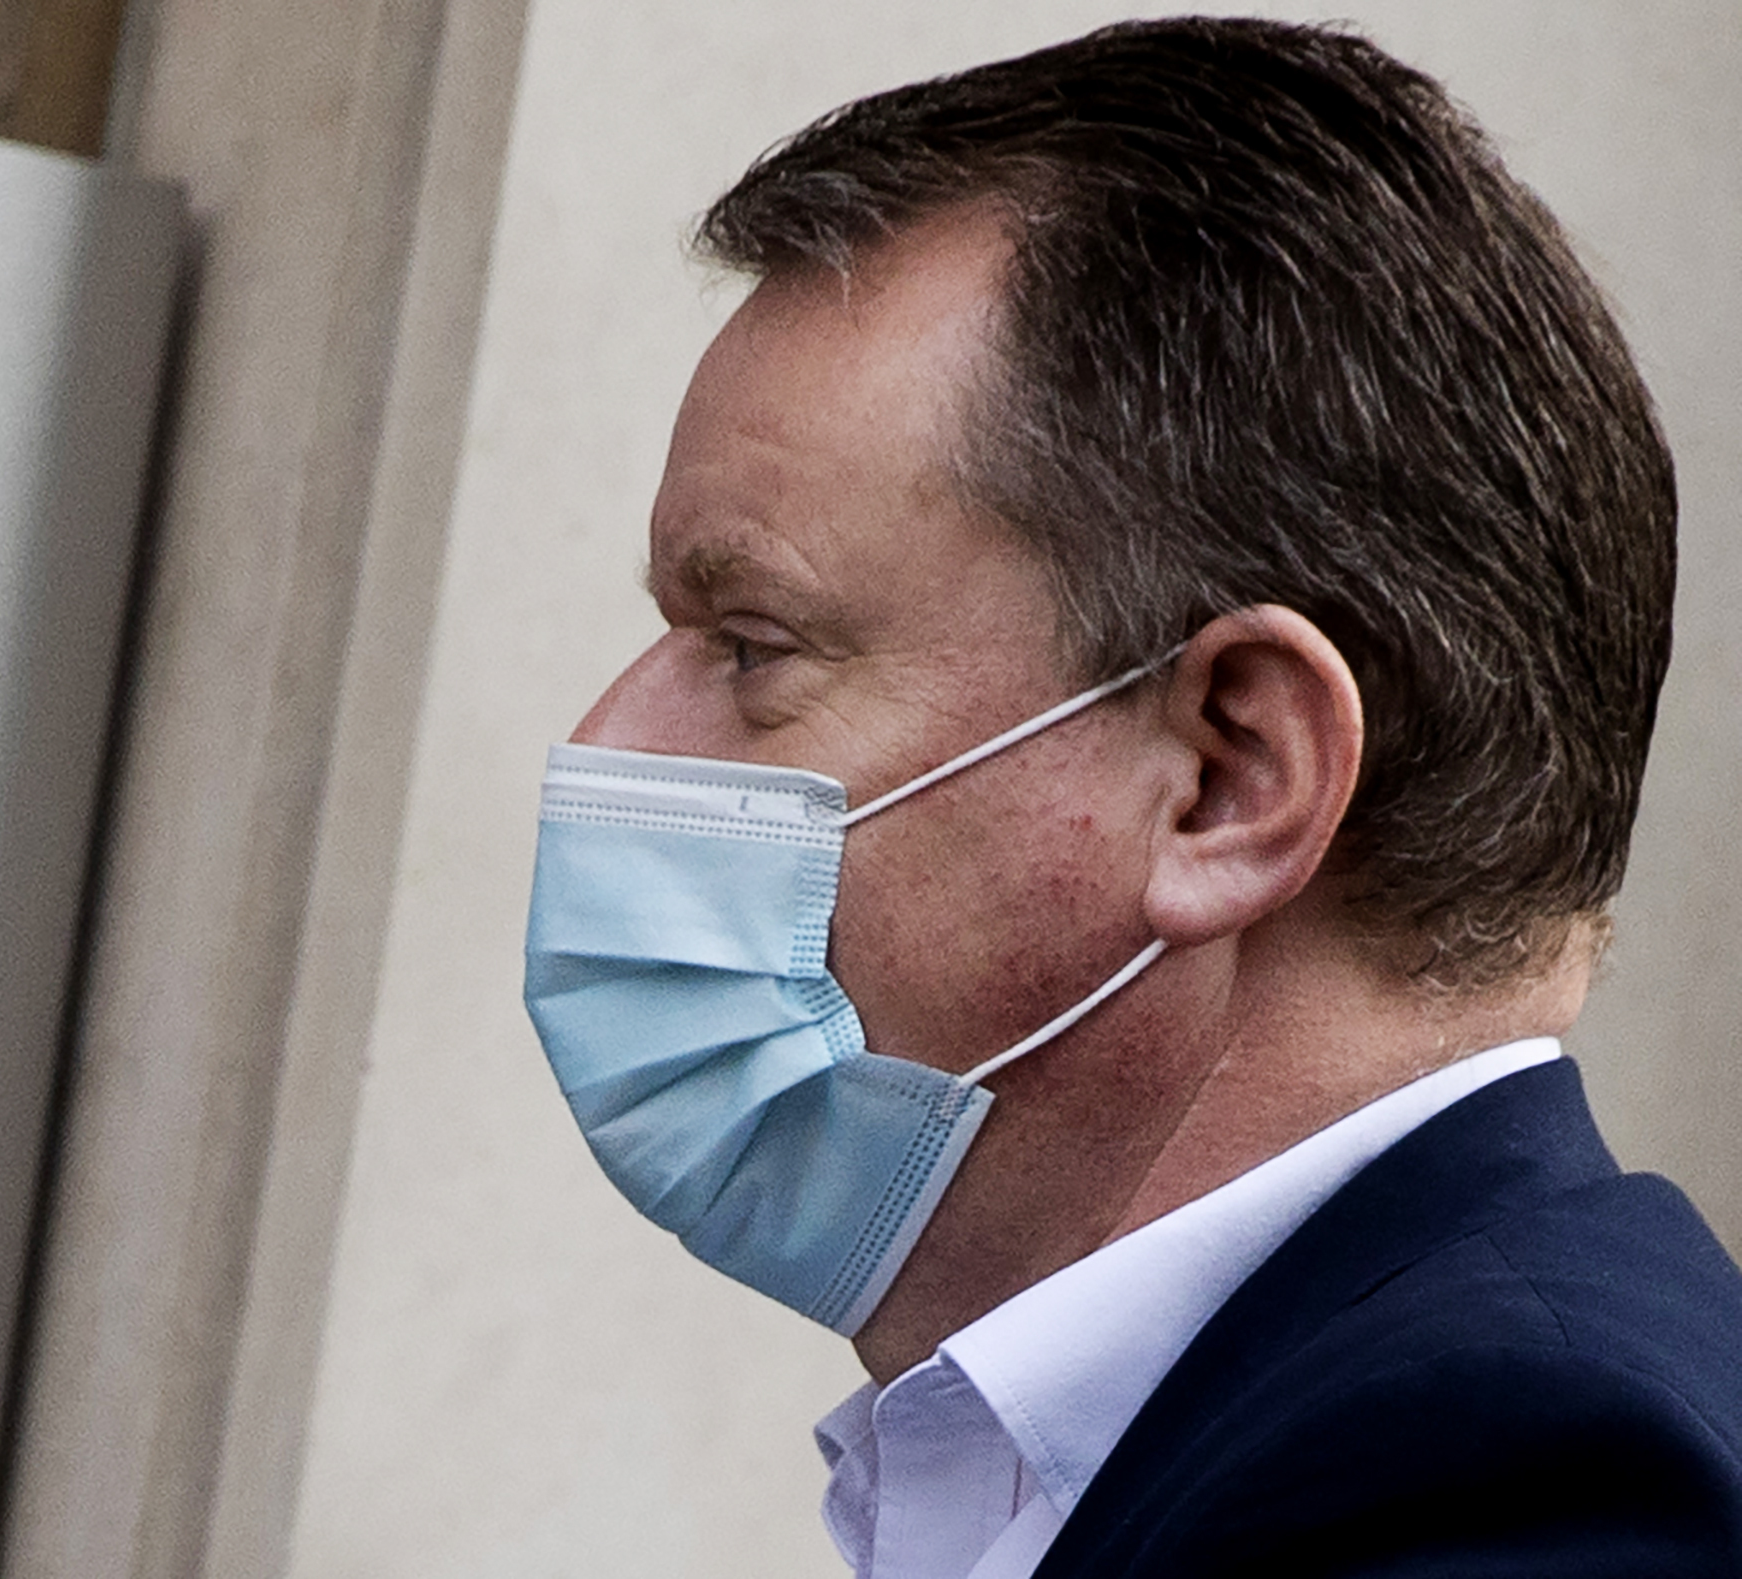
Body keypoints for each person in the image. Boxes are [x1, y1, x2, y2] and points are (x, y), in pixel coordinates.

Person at [518, 17, 1742, 1577]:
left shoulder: (1529, 1489)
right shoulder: (1220, 1437)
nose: (614, 737)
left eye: (753, 646)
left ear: (1232, 777)